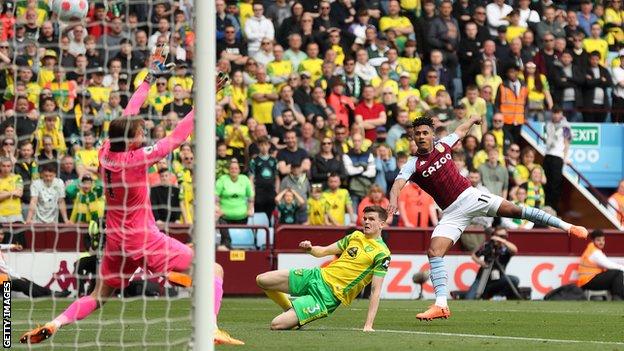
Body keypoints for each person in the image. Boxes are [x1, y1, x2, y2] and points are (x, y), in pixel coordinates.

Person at [20, 47, 231, 344]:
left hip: (116, 240)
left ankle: (56, 323)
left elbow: (129, 111)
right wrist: (207, 98)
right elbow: (177, 136)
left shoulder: (106, 150)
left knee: (98, 294)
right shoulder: (137, 159)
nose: (143, 135)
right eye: (140, 133)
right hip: (143, 238)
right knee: (213, 269)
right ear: (131, 140)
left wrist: (149, 79)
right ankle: (210, 329)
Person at [387, 116, 588, 321]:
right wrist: (393, 200)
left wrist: (473, 118)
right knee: (434, 251)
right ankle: (441, 304)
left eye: (424, 133)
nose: (421, 137)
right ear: (413, 136)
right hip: (451, 213)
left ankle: (567, 226)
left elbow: (461, 130)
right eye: (417, 134)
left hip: (470, 196)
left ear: (431, 134)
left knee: (514, 210)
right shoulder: (413, 164)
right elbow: (397, 184)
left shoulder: (443, 145)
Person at [256, 205, 391, 331]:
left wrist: (368, 325)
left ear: (381, 224)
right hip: (317, 275)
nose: (366, 222)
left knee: (276, 325)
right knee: (262, 280)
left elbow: (375, 290)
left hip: (327, 296)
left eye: (371, 219)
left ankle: (296, 315)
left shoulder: (382, 253)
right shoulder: (355, 236)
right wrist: (310, 248)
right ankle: (289, 308)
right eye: (365, 218)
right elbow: (323, 251)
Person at [0, 229, 70, 298]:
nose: (1, 236)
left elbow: (3, 246)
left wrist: (14, 246)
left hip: (4, 279)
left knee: (27, 282)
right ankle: (48, 296)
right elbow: (3, 267)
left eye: (2, 234)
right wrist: (17, 277)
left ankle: (52, 293)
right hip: (3, 281)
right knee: (22, 283)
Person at [466, 227, 520, 300]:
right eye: (498, 236)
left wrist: (502, 241)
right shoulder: (487, 245)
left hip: (498, 279)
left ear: (506, 236)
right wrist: (481, 263)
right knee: (469, 298)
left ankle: (498, 296)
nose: (499, 238)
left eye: (502, 236)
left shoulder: (505, 249)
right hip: (483, 277)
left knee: (514, 280)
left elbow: (515, 250)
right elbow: (474, 255)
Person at [576, 230, 624, 300]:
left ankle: (618, 296)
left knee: (616, 275)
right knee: (618, 273)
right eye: (598, 240)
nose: (601, 242)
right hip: (588, 281)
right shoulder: (594, 253)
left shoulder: (593, 250)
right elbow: (610, 265)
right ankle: (617, 297)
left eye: (603, 240)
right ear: (593, 241)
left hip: (587, 281)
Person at [543, 108, 571, 212]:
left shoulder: (566, 126)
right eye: (554, 113)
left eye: (558, 113)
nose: (555, 115)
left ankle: (552, 208)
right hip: (547, 155)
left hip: (558, 157)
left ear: (561, 114)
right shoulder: (548, 124)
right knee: (546, 182)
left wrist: (565, 157)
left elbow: (567, 142)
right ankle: (545, 206)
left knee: (555, 184)